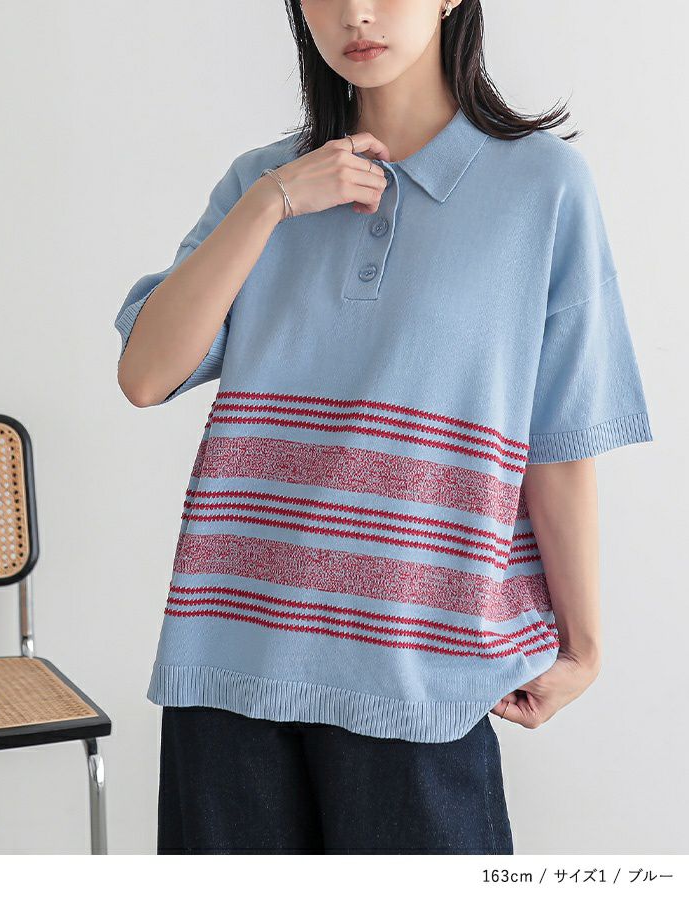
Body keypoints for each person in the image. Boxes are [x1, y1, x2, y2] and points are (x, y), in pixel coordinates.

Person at [114, 0, 654, 854]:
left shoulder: (542, 186)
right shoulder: (264, 179)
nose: (357, 14)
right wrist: (272, 203)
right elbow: (145, 375)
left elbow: (557, 441)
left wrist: (583, 648)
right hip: (227, 662)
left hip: (419, 669)